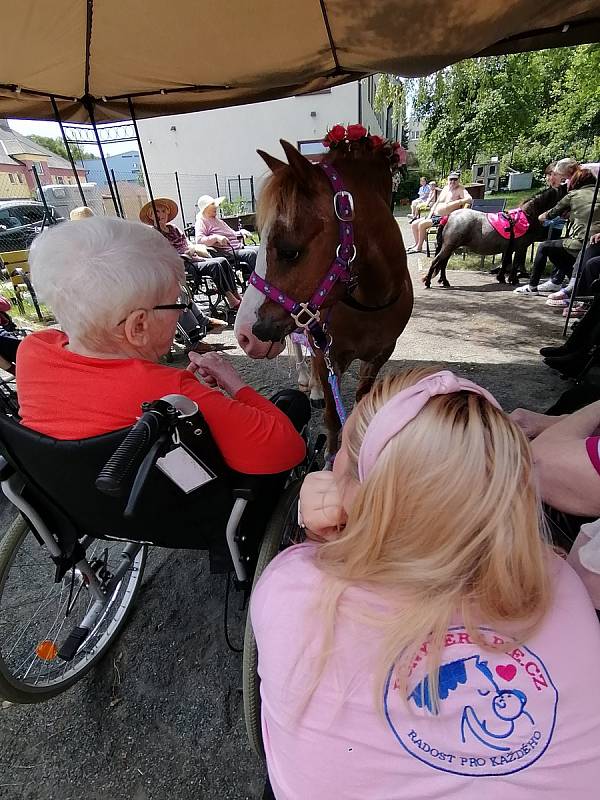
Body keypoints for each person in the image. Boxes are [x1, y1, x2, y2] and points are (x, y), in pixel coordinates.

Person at [252, 367, 600, 799]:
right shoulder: (563, 586)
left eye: (341, 452)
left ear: (356, 494)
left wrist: (315, 535)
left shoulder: (291, 587)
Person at [17, 216, 306, 479]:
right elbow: (288, 449)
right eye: (177, 303)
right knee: (292, 402)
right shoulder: (174, 396)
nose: (182, 312)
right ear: (138, 327)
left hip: (85, 497)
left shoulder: (33, 351)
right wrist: (231, 381)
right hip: (192, 506)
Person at [139, 198, 242, 312]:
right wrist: (185, 253)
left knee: (222, 260)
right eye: (157, 212)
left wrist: (191, 249)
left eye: (163, 211)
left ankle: (236, 293)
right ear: (151, 215)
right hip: (181, 264)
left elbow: (188, 243)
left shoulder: (174, 228)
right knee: (215, 265)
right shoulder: (152, 234)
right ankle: (231, 298)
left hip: (193, 258)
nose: (161, 215)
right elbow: (162, 255)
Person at [514, 166, 600, 295]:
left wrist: (541, 217)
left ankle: (532, 287)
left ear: (576, 181)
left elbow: (551, 213)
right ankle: (574, 281)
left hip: (582, 241)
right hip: (597, 244)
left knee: (545, 247)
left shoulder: (572, 195)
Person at [194, 195, 258, 277]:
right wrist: (216, 238)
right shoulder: (202, 222)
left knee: (259, 249)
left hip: (236, 246)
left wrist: (241, 232)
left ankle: (255, 276)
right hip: (224, 251)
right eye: (213, 204)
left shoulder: (218, 221)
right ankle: (257, 281)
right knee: (250, 254)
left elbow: (232, 233)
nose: (216, 207)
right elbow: (199, 240)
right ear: (205, 208)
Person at [407, 173, 471, 254]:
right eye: (451, 179)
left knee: (422, 225)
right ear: (448, 180)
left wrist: (458, 202)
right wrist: (430, 215)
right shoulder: (445, 188)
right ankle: (416, 244)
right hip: (435, 215)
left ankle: (419, 247)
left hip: (446, 217)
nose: (453, 181)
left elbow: (469, 199)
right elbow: (437, 202)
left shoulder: (460, 189)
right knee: (414, 224)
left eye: (455, 179)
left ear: (458, 180)